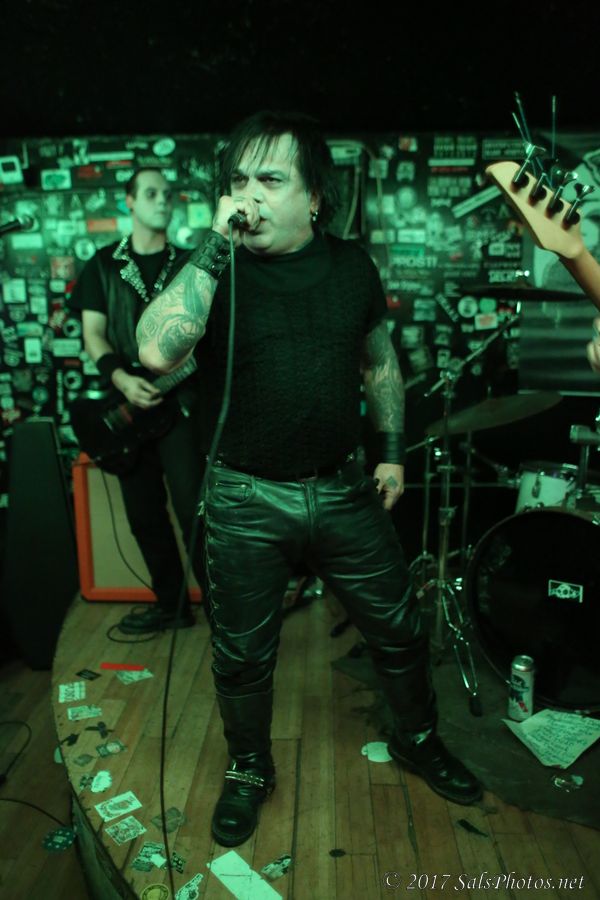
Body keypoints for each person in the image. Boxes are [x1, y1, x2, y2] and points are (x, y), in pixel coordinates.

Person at [136, 112, 482, 847]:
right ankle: (249, 767)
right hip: (244, 496)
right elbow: (157, 354)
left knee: (398, 628)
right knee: (241, 655)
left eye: (270, 180)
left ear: (315, 196)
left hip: (343, 487)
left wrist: (392, 451)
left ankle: (418, 738)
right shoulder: (213, 267)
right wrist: (215, 243)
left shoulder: (353, 267)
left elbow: (379, 360)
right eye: (238, 180)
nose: (248, 196)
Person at [69, 167, 205, 634]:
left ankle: (226, 614)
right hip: (128, 406)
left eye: (168, 193)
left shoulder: (191, 265)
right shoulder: (102, 264)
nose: (163, 200)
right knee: (144, 516)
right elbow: (92, 334)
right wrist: (123, 380)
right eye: (151, 193)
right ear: (129, 201)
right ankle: (172, 607)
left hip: (180, 406)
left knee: (193, 511)